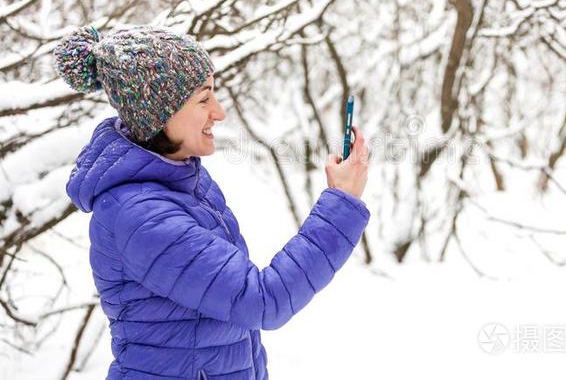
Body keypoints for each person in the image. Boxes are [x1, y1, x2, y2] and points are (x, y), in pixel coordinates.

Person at [55, 25, 370, 380]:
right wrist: (340, 205)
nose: (218, 112)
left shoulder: (180, 182)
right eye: (204, 99)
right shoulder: (142, 216)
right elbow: (262, 300)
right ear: (160, 114)